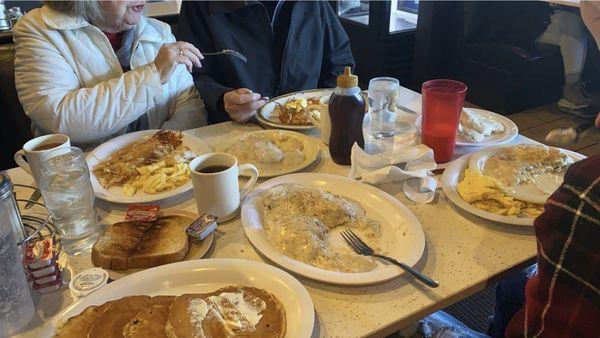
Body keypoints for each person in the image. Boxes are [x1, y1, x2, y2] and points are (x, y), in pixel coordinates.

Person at [13, 0, 206, 147]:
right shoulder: (39, 29)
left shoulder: (159, 30)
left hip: (160, 172)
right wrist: (154, 75)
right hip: (85, 180)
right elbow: (61, 118)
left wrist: (158, 149)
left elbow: (188, 103)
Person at [176, 1, 355, 124]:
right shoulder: (200, 4)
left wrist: (321, 105)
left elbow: (340, 62)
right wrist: (221, 100)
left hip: (310, 130)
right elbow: (188, 76)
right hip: (234, 133)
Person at [537, 7, 593, 117]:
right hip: (527, 25)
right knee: (571, 21)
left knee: (577, 21)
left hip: (548, 19)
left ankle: (574, 89)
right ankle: (571, 89)